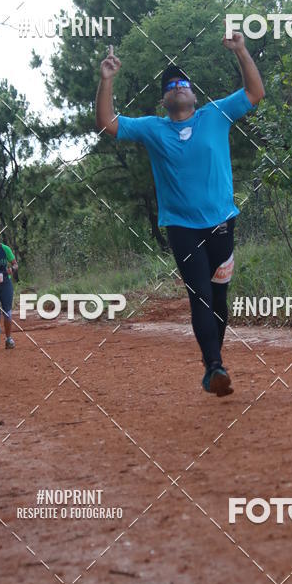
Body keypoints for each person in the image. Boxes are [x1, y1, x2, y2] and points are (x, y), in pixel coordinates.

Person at [95, 30, 265, 396]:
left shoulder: (215, 114)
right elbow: (108, 123)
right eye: (170, 85)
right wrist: (106, 80)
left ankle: (212, 363)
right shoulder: (153, 129)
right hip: (181, 228)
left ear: (194, 93)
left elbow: (255, 92)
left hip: (222, 223)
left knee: (219, 298)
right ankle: (215, 367)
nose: (177, 86)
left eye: (183, 82)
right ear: (164, 99)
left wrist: (241, 50)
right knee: (200, 295)